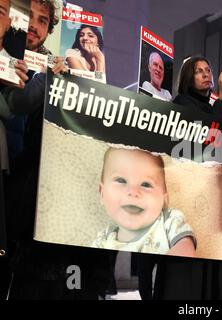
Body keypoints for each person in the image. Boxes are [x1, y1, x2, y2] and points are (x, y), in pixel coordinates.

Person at [1, 0, 112, 300]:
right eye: (30, 18)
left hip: (30, 186)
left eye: (42, 20)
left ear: (51, 29)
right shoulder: (6, 53)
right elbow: (14, 106)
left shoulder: (58, 65)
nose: (34, 26)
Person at [152, 56, 222, 300]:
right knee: (185, 268)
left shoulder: (217, 107)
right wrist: (221, 98)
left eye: (209, 70)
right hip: (188, 200)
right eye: (199, 71)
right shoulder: (181, 103)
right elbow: (206, 137)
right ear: (189, 76)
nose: (207, 74)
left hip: (214, 204)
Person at [93, 148, 196, 256]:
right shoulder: (102, 241)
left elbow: (186, 249)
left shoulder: (169, 222)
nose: (133, 192)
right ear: (102, 193)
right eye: (121, 180)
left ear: (164, 200)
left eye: (146, 184)